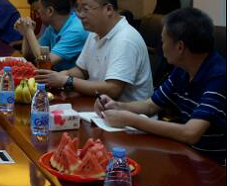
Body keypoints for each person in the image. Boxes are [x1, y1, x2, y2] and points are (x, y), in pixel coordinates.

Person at [95, 8, 226, 163]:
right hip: (186, 155)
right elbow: (151, 105)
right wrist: (117, 106)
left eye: (163, 41)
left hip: (212, 166)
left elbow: (191, 133)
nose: (161, 47)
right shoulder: (182, 69)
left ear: (180, 47)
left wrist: (131, 120)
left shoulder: (219, 76)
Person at [35, 0, 152, 101]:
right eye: (78, 9)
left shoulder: (125, 39)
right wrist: (61, 75)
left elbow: (113, 89)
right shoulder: (94, 32)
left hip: (126, 110)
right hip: (97, 103)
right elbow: (82, 70)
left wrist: (67, 81)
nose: (80, 15)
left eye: (85, 9)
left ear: (108, 9)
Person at [15, 0, 88, 71]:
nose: (37, 16)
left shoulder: (76, 30)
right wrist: (26, 32)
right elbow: (29, 56)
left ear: (50, 11)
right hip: (54, 76)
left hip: (69, 78)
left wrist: (29, 31)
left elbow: (44, 63)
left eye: (38, 10)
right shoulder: (52, 27)